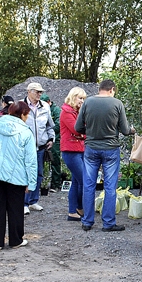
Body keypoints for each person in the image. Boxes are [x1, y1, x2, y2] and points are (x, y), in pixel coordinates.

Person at [0, 101, 39, 250]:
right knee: (15, 208)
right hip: (16, 176)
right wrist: (32, 183)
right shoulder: (26, 132)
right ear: (23, 114)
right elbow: (30, 160)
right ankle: (16, 239)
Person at [74, 79, 134, 232]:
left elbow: (78, 127)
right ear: (112, 89)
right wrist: (132, 130)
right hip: (110, 149)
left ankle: (87, 221)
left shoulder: (87, 103)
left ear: (99, 88)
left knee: (88, 185)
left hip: (91, 148)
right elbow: (125, 130)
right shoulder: (117, 104)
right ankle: (108, 223)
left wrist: (92, 132)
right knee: (110, 186)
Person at [22, 82, 54, 214]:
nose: (40, 94)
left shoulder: (45, 106)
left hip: (40, 146)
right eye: (37, 92)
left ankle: (34, 201)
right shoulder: (21, 105)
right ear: (29, 91)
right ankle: (24, 202)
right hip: (25, 147)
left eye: (41, 92)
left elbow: (49, 125)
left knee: (39, 173)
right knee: (25, 174)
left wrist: (51, 138)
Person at [59, 87, 87, 221]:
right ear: (73, 97)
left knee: (76, 181)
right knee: (83, 180)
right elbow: (78, 129)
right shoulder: (66, 112)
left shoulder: (76, 112)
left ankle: (74, 210)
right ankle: (78, 208)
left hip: (80, 149)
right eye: (80, 98)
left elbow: (85, 129)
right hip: (71, 151)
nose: (82, 101)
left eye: (83, 99)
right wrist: (84, 133)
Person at [42, 93, 63, 191]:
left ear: (48, 102)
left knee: (55, 160)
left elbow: (58, 125)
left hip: (55, 139)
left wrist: (47, 132)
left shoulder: (56, 110)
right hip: (42, 139)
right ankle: (42, 184)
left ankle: (56, 183)